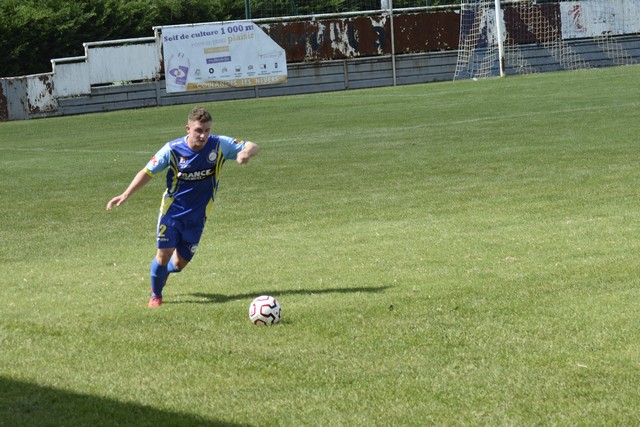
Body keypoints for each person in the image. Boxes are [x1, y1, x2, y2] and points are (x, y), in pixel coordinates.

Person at [106, 107, 260, 307]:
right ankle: (156, 295)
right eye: (198, 130)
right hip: (172, 212)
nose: (203, 135)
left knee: (179, 264)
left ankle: (164, 273)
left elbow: (253, 145)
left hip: (198, 215)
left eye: (207, 130)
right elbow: (147, 172)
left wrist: (245, 153)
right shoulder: (172, 149)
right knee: (163, 254)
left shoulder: (218, 145)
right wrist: (125, 194)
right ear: (188, 129)